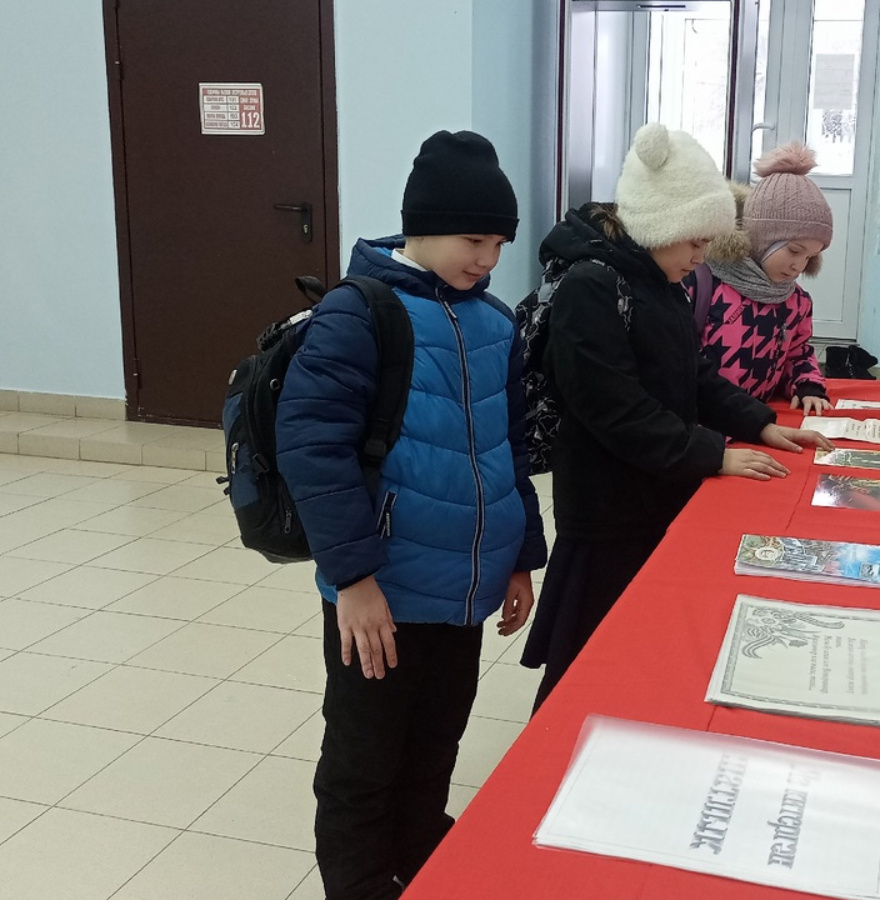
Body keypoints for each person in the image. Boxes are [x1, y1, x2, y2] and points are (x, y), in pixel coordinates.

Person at [275, 130, 546, 900]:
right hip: (381, 592)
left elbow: (509, 446)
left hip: (463, 589)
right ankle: (360, 882)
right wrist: (353, 579)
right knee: (364, 758)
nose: (487, 259)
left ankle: (422, 848)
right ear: (421, 227)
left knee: (435, 742)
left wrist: (520, 556)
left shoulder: (495, 323)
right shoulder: (359, 313)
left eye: (499, 244)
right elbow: (313, 450)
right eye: (473, 241)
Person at [520, 123, 831, 711]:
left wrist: (759, 422)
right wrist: (712, 454)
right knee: (586, 656)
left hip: (657, 488)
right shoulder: (592, 287)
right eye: (693, 240)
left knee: (641, 648)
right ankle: (555, 746)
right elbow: (616, 408)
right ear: (658, 224)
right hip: (608, 510)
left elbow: (695, 375)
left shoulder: (664, 281)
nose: (702, 256)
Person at [694, 142, 833, 415]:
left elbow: (798, 353)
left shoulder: (796, 302)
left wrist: (808, 386)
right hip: (708, 417)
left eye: (809, 257)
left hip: (758, 417)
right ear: (761, 238)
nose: (798, 266)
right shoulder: (705, 286)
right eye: (794, 250)